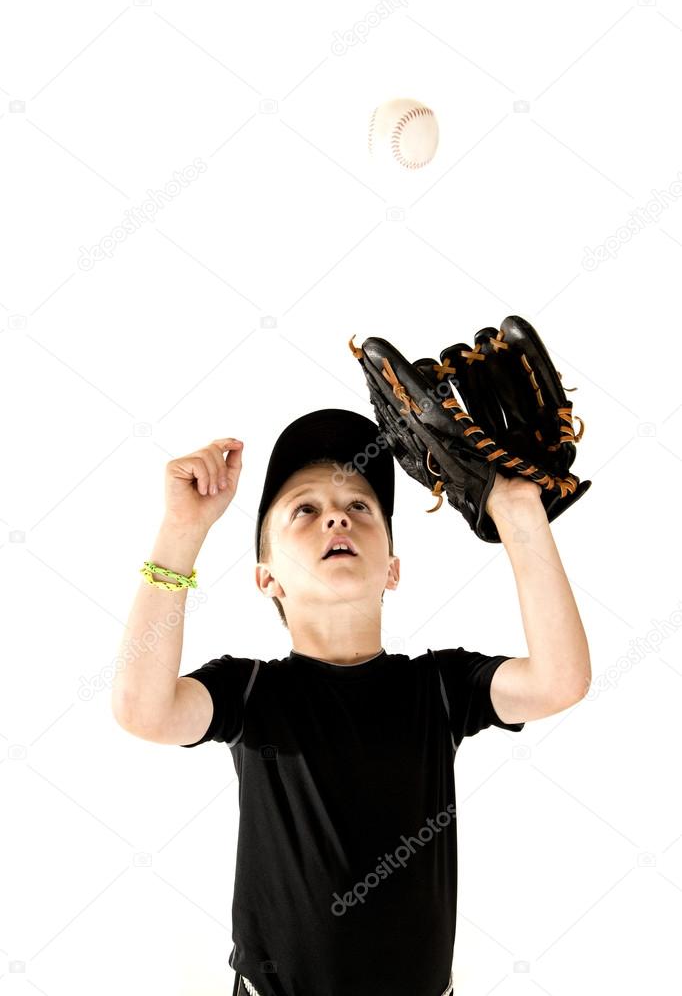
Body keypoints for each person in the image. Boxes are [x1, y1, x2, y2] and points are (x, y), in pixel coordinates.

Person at [112, 408, 591, 996]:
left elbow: (559, 680)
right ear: (267, 578)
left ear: (392, 567)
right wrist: (182, 531)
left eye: (361, 507)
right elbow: (143, 710)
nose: (336, 514)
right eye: (304, 510)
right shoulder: (251, 692)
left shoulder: (439, 686)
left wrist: (519, 516)